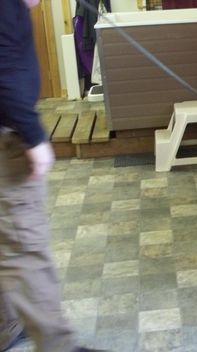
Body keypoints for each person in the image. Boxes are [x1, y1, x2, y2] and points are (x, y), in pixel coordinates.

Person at [0, 1, 105, 351]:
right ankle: (58, 346)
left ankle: (8, 325)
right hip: (7, 136)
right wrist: (32, 135)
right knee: (24, 248)